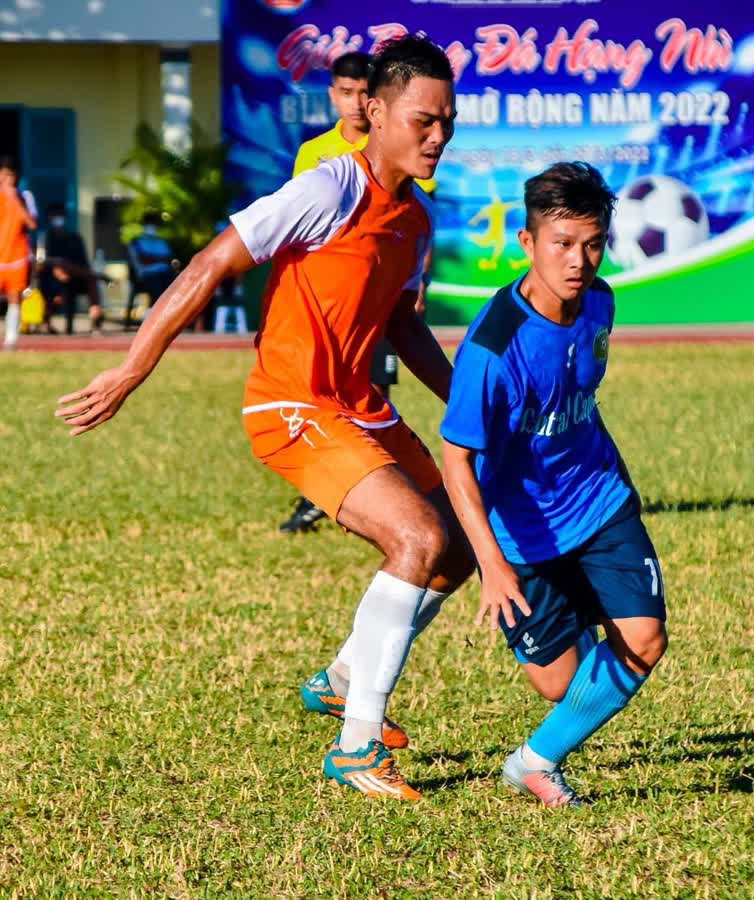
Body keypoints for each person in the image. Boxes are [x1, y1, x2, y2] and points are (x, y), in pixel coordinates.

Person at [56, 35, 473, 801]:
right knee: (416, 538)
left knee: (457, 549)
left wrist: (471, 409)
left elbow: (403, 327)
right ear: (374, 113)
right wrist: (131, 368)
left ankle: (345, 676)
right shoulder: (326, 191)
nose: (439, 135)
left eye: (447, 120)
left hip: (362, 410)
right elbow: (210, 263)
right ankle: (356, 750)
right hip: (292, 405)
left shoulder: (415, 219)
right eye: (424, 120)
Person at [441, 162, 668, 807]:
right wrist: (491, 565)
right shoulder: (492, 351)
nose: (579, 260)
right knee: (562, 686)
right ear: (528, 243)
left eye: (592, 243)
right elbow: (455, 460)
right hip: (522, 532)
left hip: (597, 499)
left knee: (644, 638)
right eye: (562, 244)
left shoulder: (601, 300)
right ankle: (581, 623)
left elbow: (581, 401)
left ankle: (535, 762)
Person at [279, 50, 433, 535]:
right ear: (333, 96)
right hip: (327, 309)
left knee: (374, 390)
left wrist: (416, 283)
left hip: (381, 298)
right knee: (319, 394)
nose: (354, 102)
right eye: (344, 92)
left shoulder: (405, 149)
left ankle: (377, 484)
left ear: (376, 103)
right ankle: (321, 496)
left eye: (362, 92)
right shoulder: (317, 158)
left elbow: (414, 220)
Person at [40, 202, 107, 335]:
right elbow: (42, 260)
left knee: (89, 280)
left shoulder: (75, 238)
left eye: (60, 215)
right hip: (53, 278)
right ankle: (96, 277)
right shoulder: (46, 238)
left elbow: (83, 261)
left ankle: (95, 316)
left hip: (77, 277)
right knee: (64, 270)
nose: (57, 219)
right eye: (55, 216)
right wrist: (56, 266)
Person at [0, 157, 37, 350]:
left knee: (14, 296)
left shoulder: (24, 197)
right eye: (4, 174)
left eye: (11, 175)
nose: (8, 179)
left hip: (17, 256)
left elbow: (31, 223)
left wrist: (14, 199)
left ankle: (11, 339)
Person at [126, 211, 177, 327]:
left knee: (178, 283)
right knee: (157, 284)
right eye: (150, 223)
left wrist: (154, 258)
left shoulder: (162, 241)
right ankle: (152, 320)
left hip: (165, 273)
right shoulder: (136, 241)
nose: (152, 226)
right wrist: (159, 259)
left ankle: (172, 318)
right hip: (146, 276)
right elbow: (144, 259)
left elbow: (170, 258)